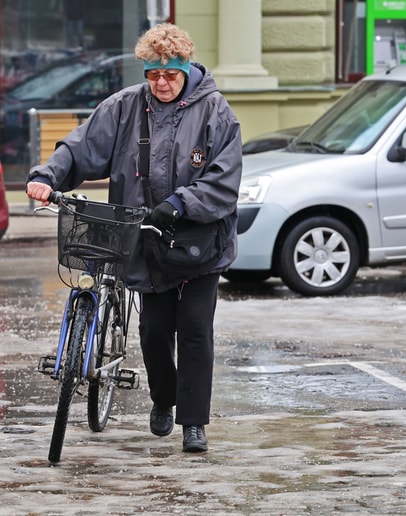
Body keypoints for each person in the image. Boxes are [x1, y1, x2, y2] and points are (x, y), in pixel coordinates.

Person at [26, 23, 242, 453]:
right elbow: (81, 147)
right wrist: (46, 176)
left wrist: (180, 204)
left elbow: (224, 178)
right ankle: (164, 399)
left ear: (186, 71)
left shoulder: (216, 112)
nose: (161, 83)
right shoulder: (125, 107)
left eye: (170, 75)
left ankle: (194, 423)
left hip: (199, 241)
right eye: (153, 75)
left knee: (195, 329)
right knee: (154, 330)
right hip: (145, 239)